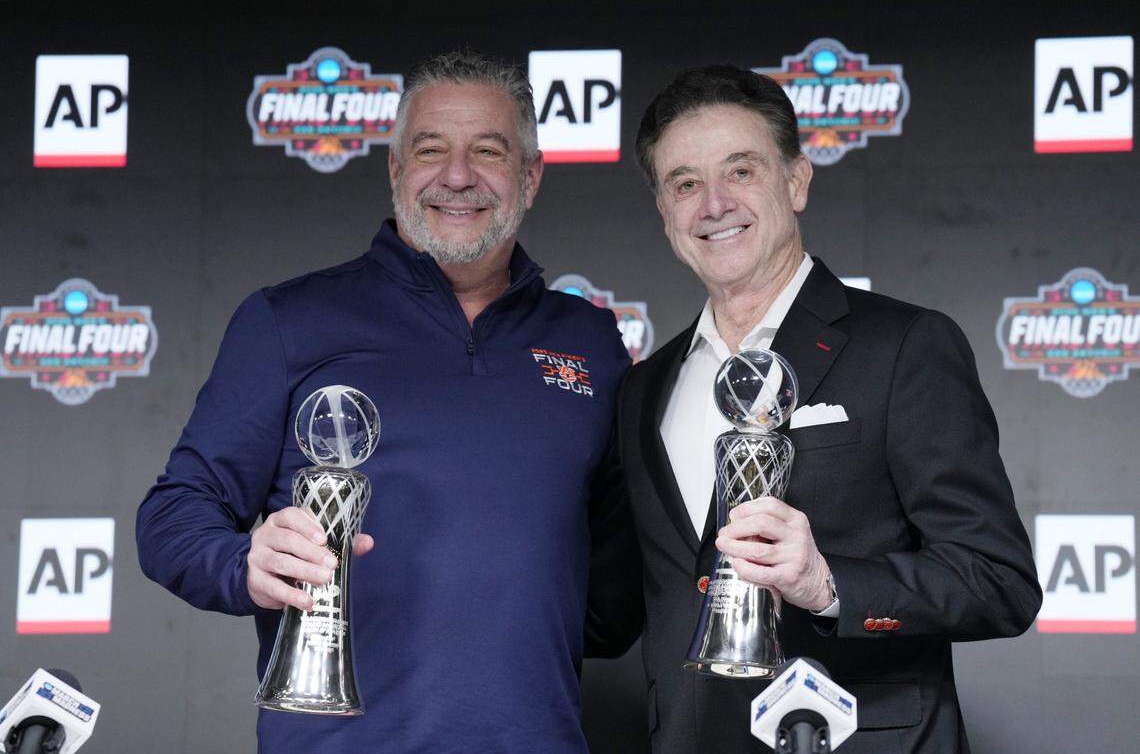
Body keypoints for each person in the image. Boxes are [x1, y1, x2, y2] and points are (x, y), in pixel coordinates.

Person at [136, 49, 640, 753]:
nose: (458, 176)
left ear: (530, 177)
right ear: (396, 169)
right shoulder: (290, 320)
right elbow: (171, 517)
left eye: (488, 152)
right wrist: (243, 561)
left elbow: (613, 597)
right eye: (431, 150)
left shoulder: (589, 340)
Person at [615, 65, 1042, 753]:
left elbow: (999, 582)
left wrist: (828, 583)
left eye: (741, 171)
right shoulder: (644, 389)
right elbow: (624, 600)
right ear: (664, 211)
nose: (714, 203)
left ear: (797, 180)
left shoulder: (903, 345)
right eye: (685, 183)